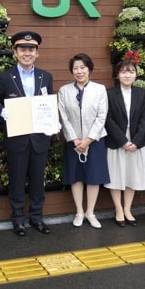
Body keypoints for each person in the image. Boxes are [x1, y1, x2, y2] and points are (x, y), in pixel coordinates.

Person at [0, 30, 55, 236]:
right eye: (23, 49)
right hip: (17, 139)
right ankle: (18, 219)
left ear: (37, 53)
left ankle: (36, 218)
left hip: (39, 139)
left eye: (31, 50)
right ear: (15, 52)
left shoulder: (46, 77)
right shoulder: (5, 77)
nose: (27, 53)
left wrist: (52, 123)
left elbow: (48, 103)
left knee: (37, 181)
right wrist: (1, 111)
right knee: (16, 181)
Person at [58, 53, 109, 229]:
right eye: (75, 68)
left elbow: (102, 117)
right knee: (76, 177)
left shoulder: (100, 89)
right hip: (73, 142)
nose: (79, 71)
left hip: (95, 140)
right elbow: (63, 117)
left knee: (94, 178)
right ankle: (79, 211)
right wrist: (74, 139)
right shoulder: (64, 91)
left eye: (83, 67)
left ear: (89, 69)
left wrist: (88, 140)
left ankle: (90, 212)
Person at [104, 60, 145, 227]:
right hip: (117, 141)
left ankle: (128, 209)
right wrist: (123, 141)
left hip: (136, 142)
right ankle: (118, 209)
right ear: (118, 75)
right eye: (123, 72)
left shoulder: (142, 93)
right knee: (116, 175)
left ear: (136, 74)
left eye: (131, 72)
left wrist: (136, 141)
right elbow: (107, 119)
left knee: (132, 175)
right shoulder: (109, 93)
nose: (127, 75)